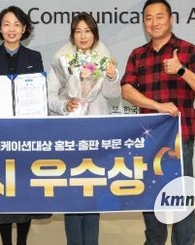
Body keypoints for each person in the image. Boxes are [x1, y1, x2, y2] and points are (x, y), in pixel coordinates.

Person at [120, 0, 195, 245]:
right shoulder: (138, 54)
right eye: (148, 18)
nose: (154, 22)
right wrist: (157, 106)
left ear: (171, 19)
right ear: (144, 23)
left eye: (159, 16)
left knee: (181, 198)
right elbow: (126, 90)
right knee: (151, 197)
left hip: (180, 139)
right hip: (149, 139)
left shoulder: (189, 50)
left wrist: (181, 70)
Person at [47, 12, 119, 245]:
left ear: (95, 34)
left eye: (87, 30)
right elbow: (49, 96)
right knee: (73, 193)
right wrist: (64, 105)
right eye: (78, 31)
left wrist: (112, 77)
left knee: (92, 190)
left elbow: (113, 95)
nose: (83, 35)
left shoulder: (104, 58)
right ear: (72, 35)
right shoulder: (61, 60)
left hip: (96, 132)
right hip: (69, 133)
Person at [0, 5, 48, 245]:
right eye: (6, 24)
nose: (11, 29)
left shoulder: (34, 57)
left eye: (17, 24)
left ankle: (22, 242)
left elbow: (38, 95)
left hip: (27, 135)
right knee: (3, 192)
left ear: (25, 28)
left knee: (24, 190)